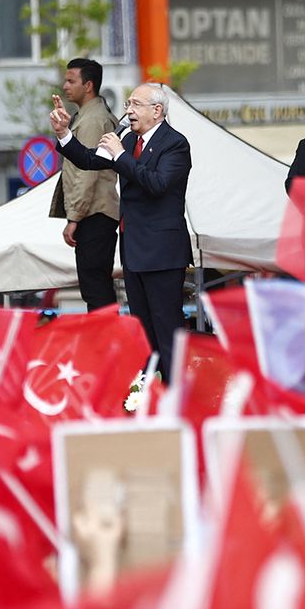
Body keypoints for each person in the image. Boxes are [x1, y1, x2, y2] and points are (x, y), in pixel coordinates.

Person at [50, 82, 192, 382]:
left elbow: (157, 184)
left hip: (163, 253)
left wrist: (120, 155)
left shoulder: (175, 144)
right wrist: (64, 133)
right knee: (142, 329)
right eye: (128, 103)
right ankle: (148, 390)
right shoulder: (126, 140)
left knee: (167, 327)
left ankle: (176, 393)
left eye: (135, 104)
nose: (128, 111)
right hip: (133, 250)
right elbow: (89, 160)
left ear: (157, 110)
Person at [48, 58, 120, 311]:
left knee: (96, 291)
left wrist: (74, 218)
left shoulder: (92, 120)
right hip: (95, 213)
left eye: (71, 80)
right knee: (96, 288)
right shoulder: (86, 116)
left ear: (88, 85)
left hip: (95, 214)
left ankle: (106, 346)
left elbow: (86, 173)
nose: (65, 86)